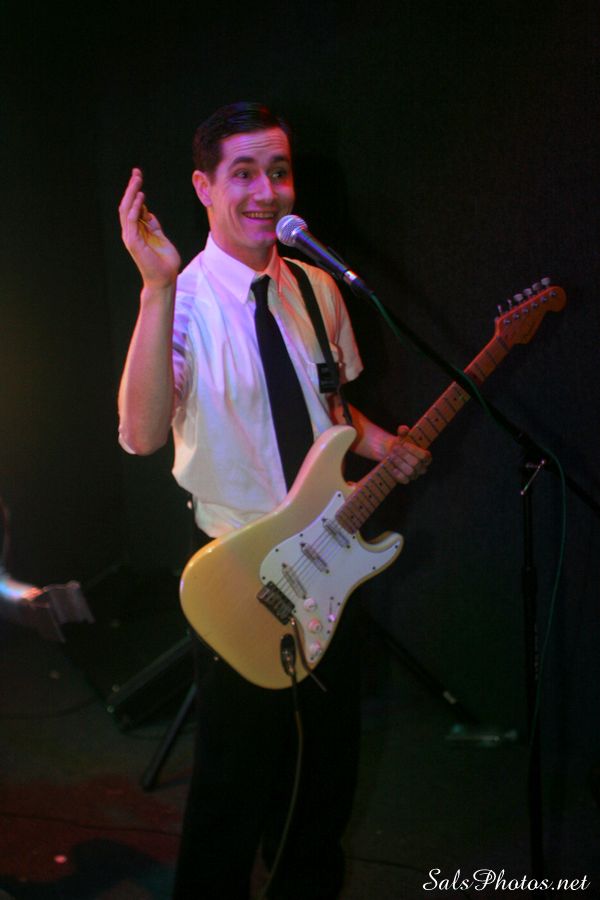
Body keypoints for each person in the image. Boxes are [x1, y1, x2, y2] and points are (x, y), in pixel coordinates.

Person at [117, 102, 431, 900]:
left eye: (279, 172)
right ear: (204, 187)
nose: (266, 192)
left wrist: (380, 444)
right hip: (238, 569)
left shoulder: (318, 289)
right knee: (234, 782)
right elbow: (141, 434)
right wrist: (154, 288)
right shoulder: (183, 300)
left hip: (329, 554)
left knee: (326, 772)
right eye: (245, 173)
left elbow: (331, 407)